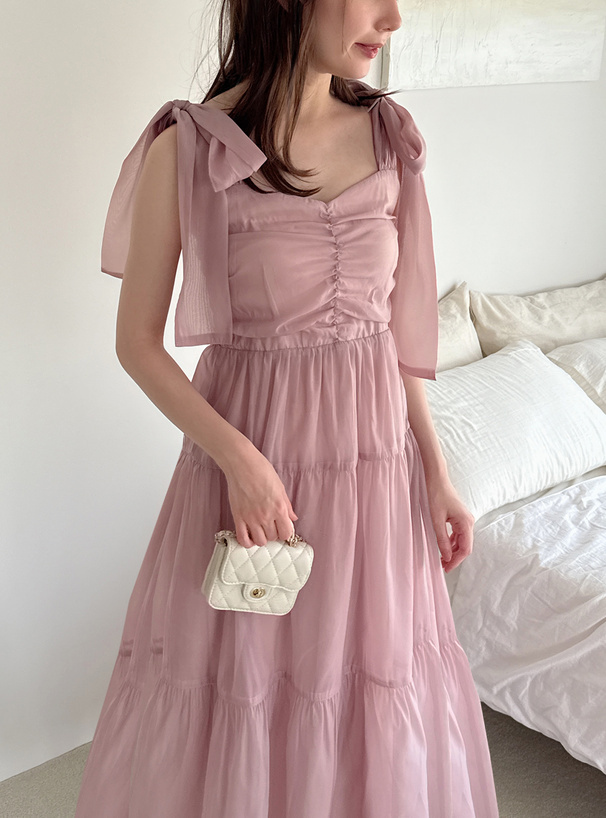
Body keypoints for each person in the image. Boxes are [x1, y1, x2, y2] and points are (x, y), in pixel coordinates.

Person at [75, 0, 500, 814]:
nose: (393, 17)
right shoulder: (188, 146)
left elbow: (394, 333)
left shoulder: (389, 135)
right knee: (252, 690)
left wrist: (436, 472)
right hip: (252, 477)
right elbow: (137, 345)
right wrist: (240, 462)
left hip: (376, 477)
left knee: (372, 686)